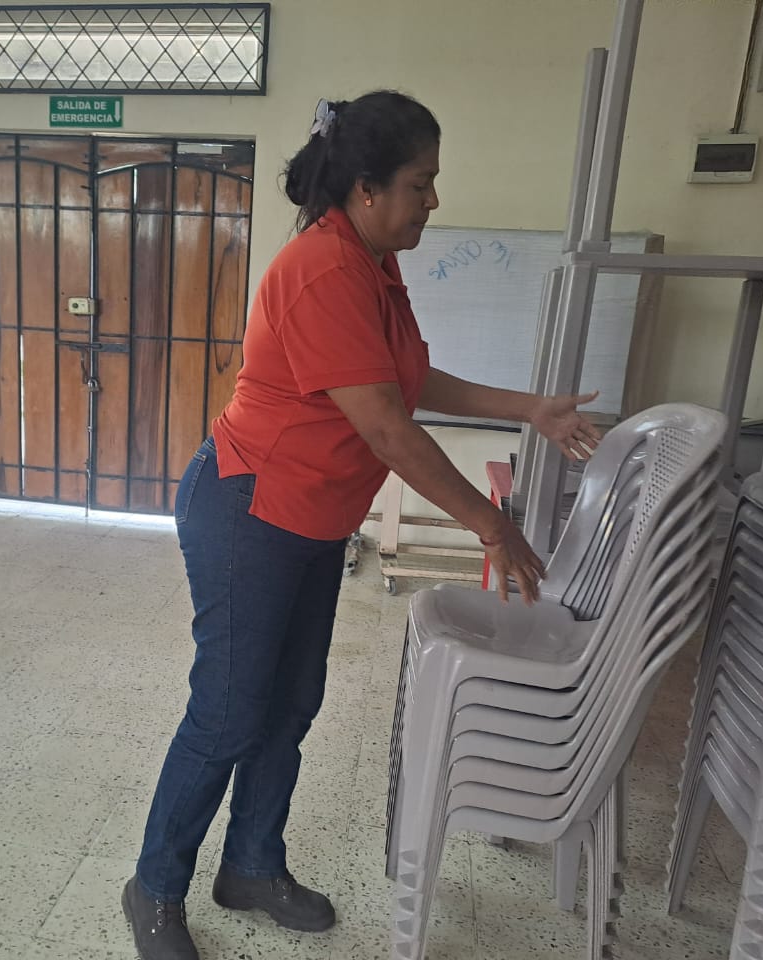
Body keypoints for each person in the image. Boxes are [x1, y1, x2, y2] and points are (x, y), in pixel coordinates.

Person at [122, 90, 602, 960]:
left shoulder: (373, 265)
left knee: (290, 704)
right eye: (421, 183)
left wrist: (528, 407)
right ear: (367, 187)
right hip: (249, 508)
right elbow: (387, 427)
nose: (433, 201)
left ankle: (251, 866)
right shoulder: (324, 271)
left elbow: (406, 380)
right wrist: (490, 525)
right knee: (228, 711)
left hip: (310, 519)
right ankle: (154, 887)